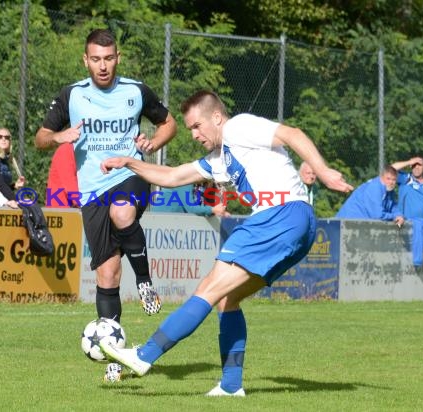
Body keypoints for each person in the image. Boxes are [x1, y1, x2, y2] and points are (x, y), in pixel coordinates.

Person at [98, 90, 352, 396]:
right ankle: (231, 386)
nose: (193, 134)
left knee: (208, 288)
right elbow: (173, 176)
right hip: (299, 224)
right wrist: (130, 163)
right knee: (226, 299)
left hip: (280, 216)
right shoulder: (220, 159)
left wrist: (322, 171)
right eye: (190, 128)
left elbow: (292, 133)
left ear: (216, 118)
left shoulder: (238, 126)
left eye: (196, 126)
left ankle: (143, 356)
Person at [34, 28, 177, 321]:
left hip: (129, 173)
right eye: (96, 59)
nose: (103, 65)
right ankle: (114, 354)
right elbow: (40, 138)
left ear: (117, 58)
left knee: (122, 213)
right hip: (92, 190)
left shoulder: (136, 91)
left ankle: (144, 281)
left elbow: (169, 124)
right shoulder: (71, 95)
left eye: (109, 58)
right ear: (85, 60)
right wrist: (58, 137)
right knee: (107, 274)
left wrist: (154, 143)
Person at [335, 165, 405, 226]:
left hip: (359, 224)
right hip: (345, 223)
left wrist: (399, 215)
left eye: (394, 180)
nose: (391, 182)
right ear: (381, 177)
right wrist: (394, 216)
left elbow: (393, 207)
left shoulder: (389, 190)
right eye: (388, 179)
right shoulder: (375, 188)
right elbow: (377, 215)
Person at [391, 156, 423, 227]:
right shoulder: (405, 178)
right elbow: (390, 169)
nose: (416, 167)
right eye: (414, 165)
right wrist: (409, 162)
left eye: (419, 165)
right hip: (403, 223)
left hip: (421, 225)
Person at [150, 183, 230, 216]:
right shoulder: (185, 182)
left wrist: (220, 212)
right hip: (160, 222)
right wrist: (213, 210)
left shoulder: (201, 187)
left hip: (176, 223)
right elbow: (191, 208)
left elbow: (201, 211)